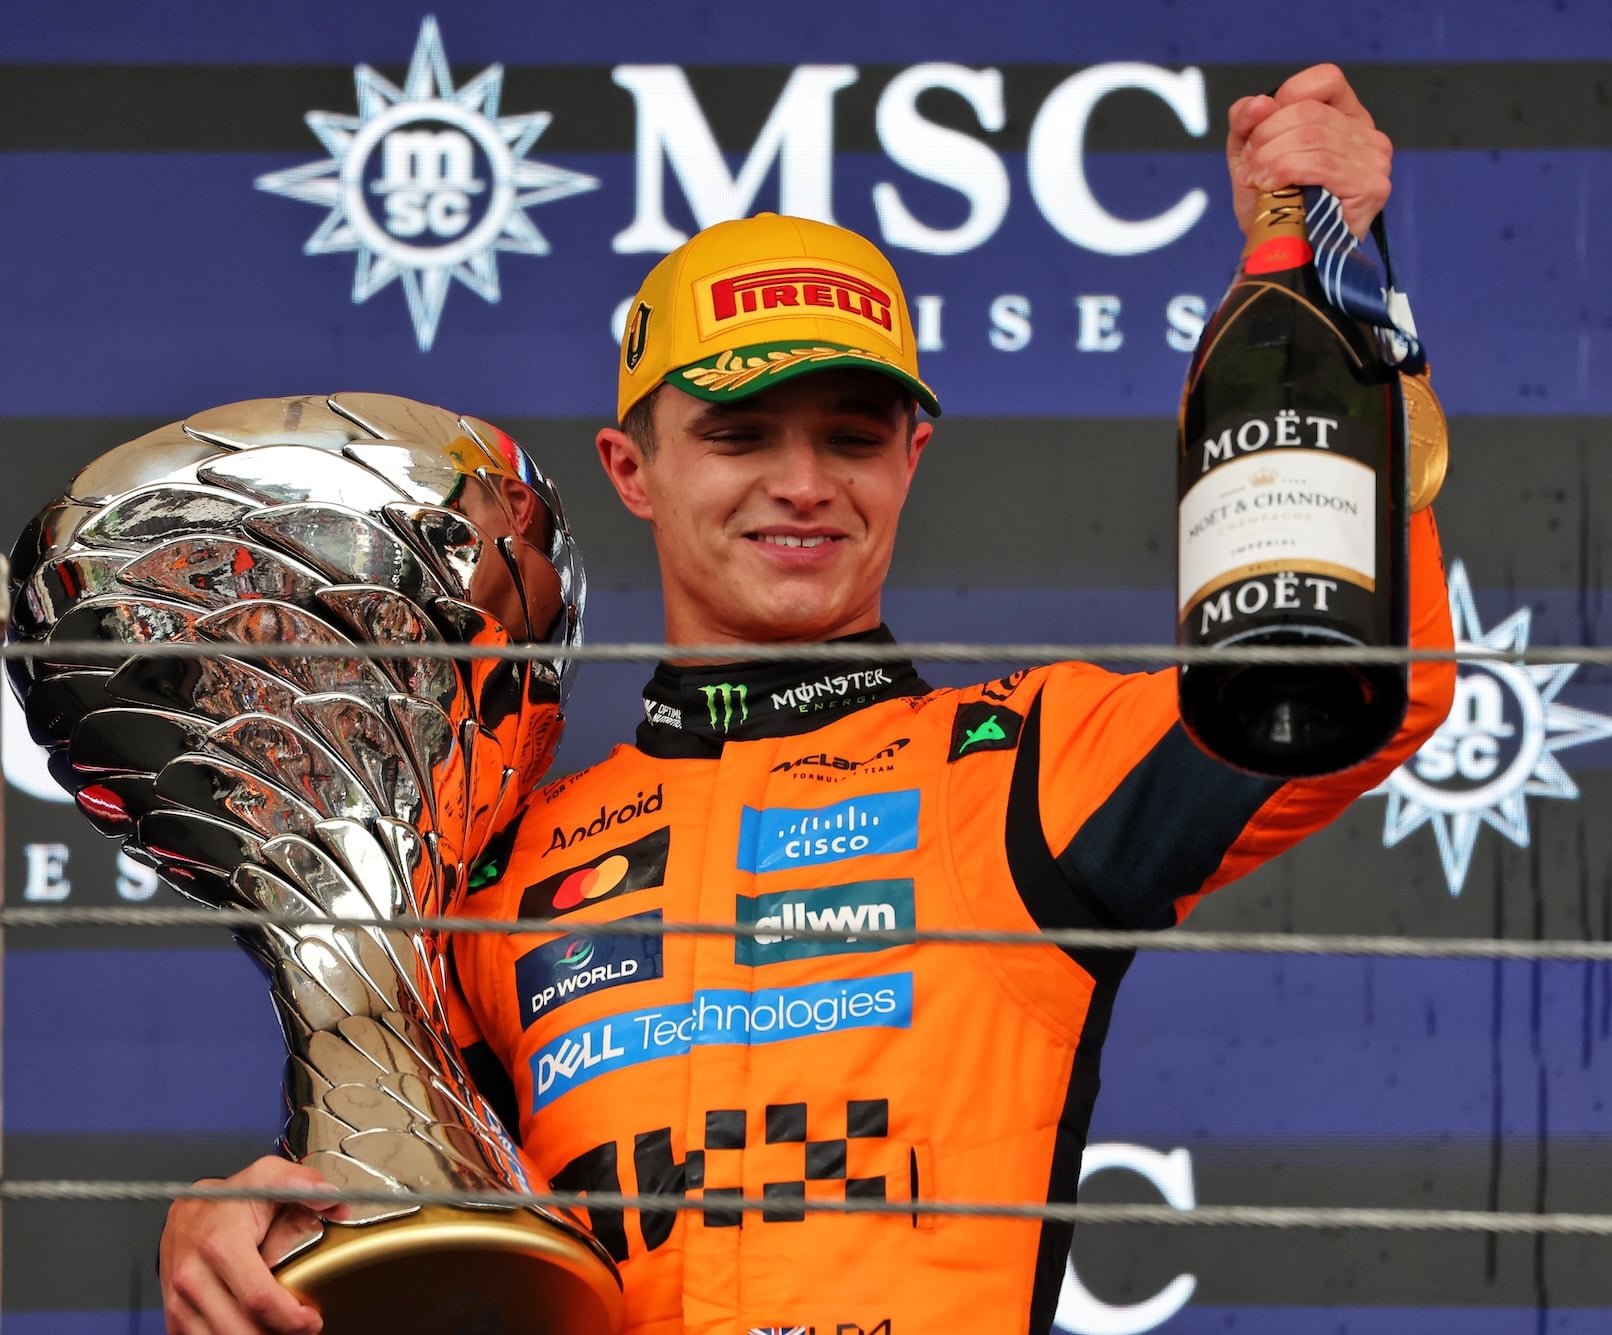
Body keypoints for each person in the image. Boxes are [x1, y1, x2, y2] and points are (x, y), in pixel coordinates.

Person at [160, 64, 1450, 1335]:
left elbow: (1372, 690)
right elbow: (410, 1216)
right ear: (633, 467)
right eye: (738, 434)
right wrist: (250, 1225)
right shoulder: (497, 872)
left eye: (851, 434)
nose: (804, 483)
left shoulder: (1023, 765)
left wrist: (1342, 292)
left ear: (912, 458)